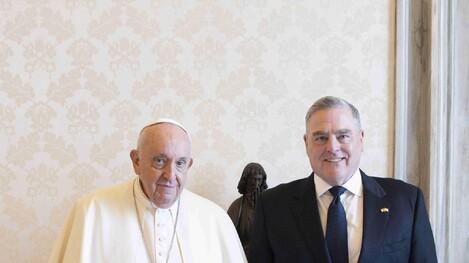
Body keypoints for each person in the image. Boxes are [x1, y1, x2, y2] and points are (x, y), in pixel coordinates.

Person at [249, 96, 437, 263]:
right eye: (321, 137)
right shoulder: (272, 205)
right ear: (306, 143)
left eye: (343, 136)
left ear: (361, 139)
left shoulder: (407, 201)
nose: (332, 147)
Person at [49, 119, 247, 263]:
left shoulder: (215, 219)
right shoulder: (91, 211)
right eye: (160, 161)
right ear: (136, 161)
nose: (170, 175)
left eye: (180, 163)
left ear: (189, 165)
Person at [227, 162, 268, 256]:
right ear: (246, 181)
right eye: (253, 180)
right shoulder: (236, 206)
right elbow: (228, 236)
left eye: (259, 180)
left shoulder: (269, 205)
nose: (256, 184)